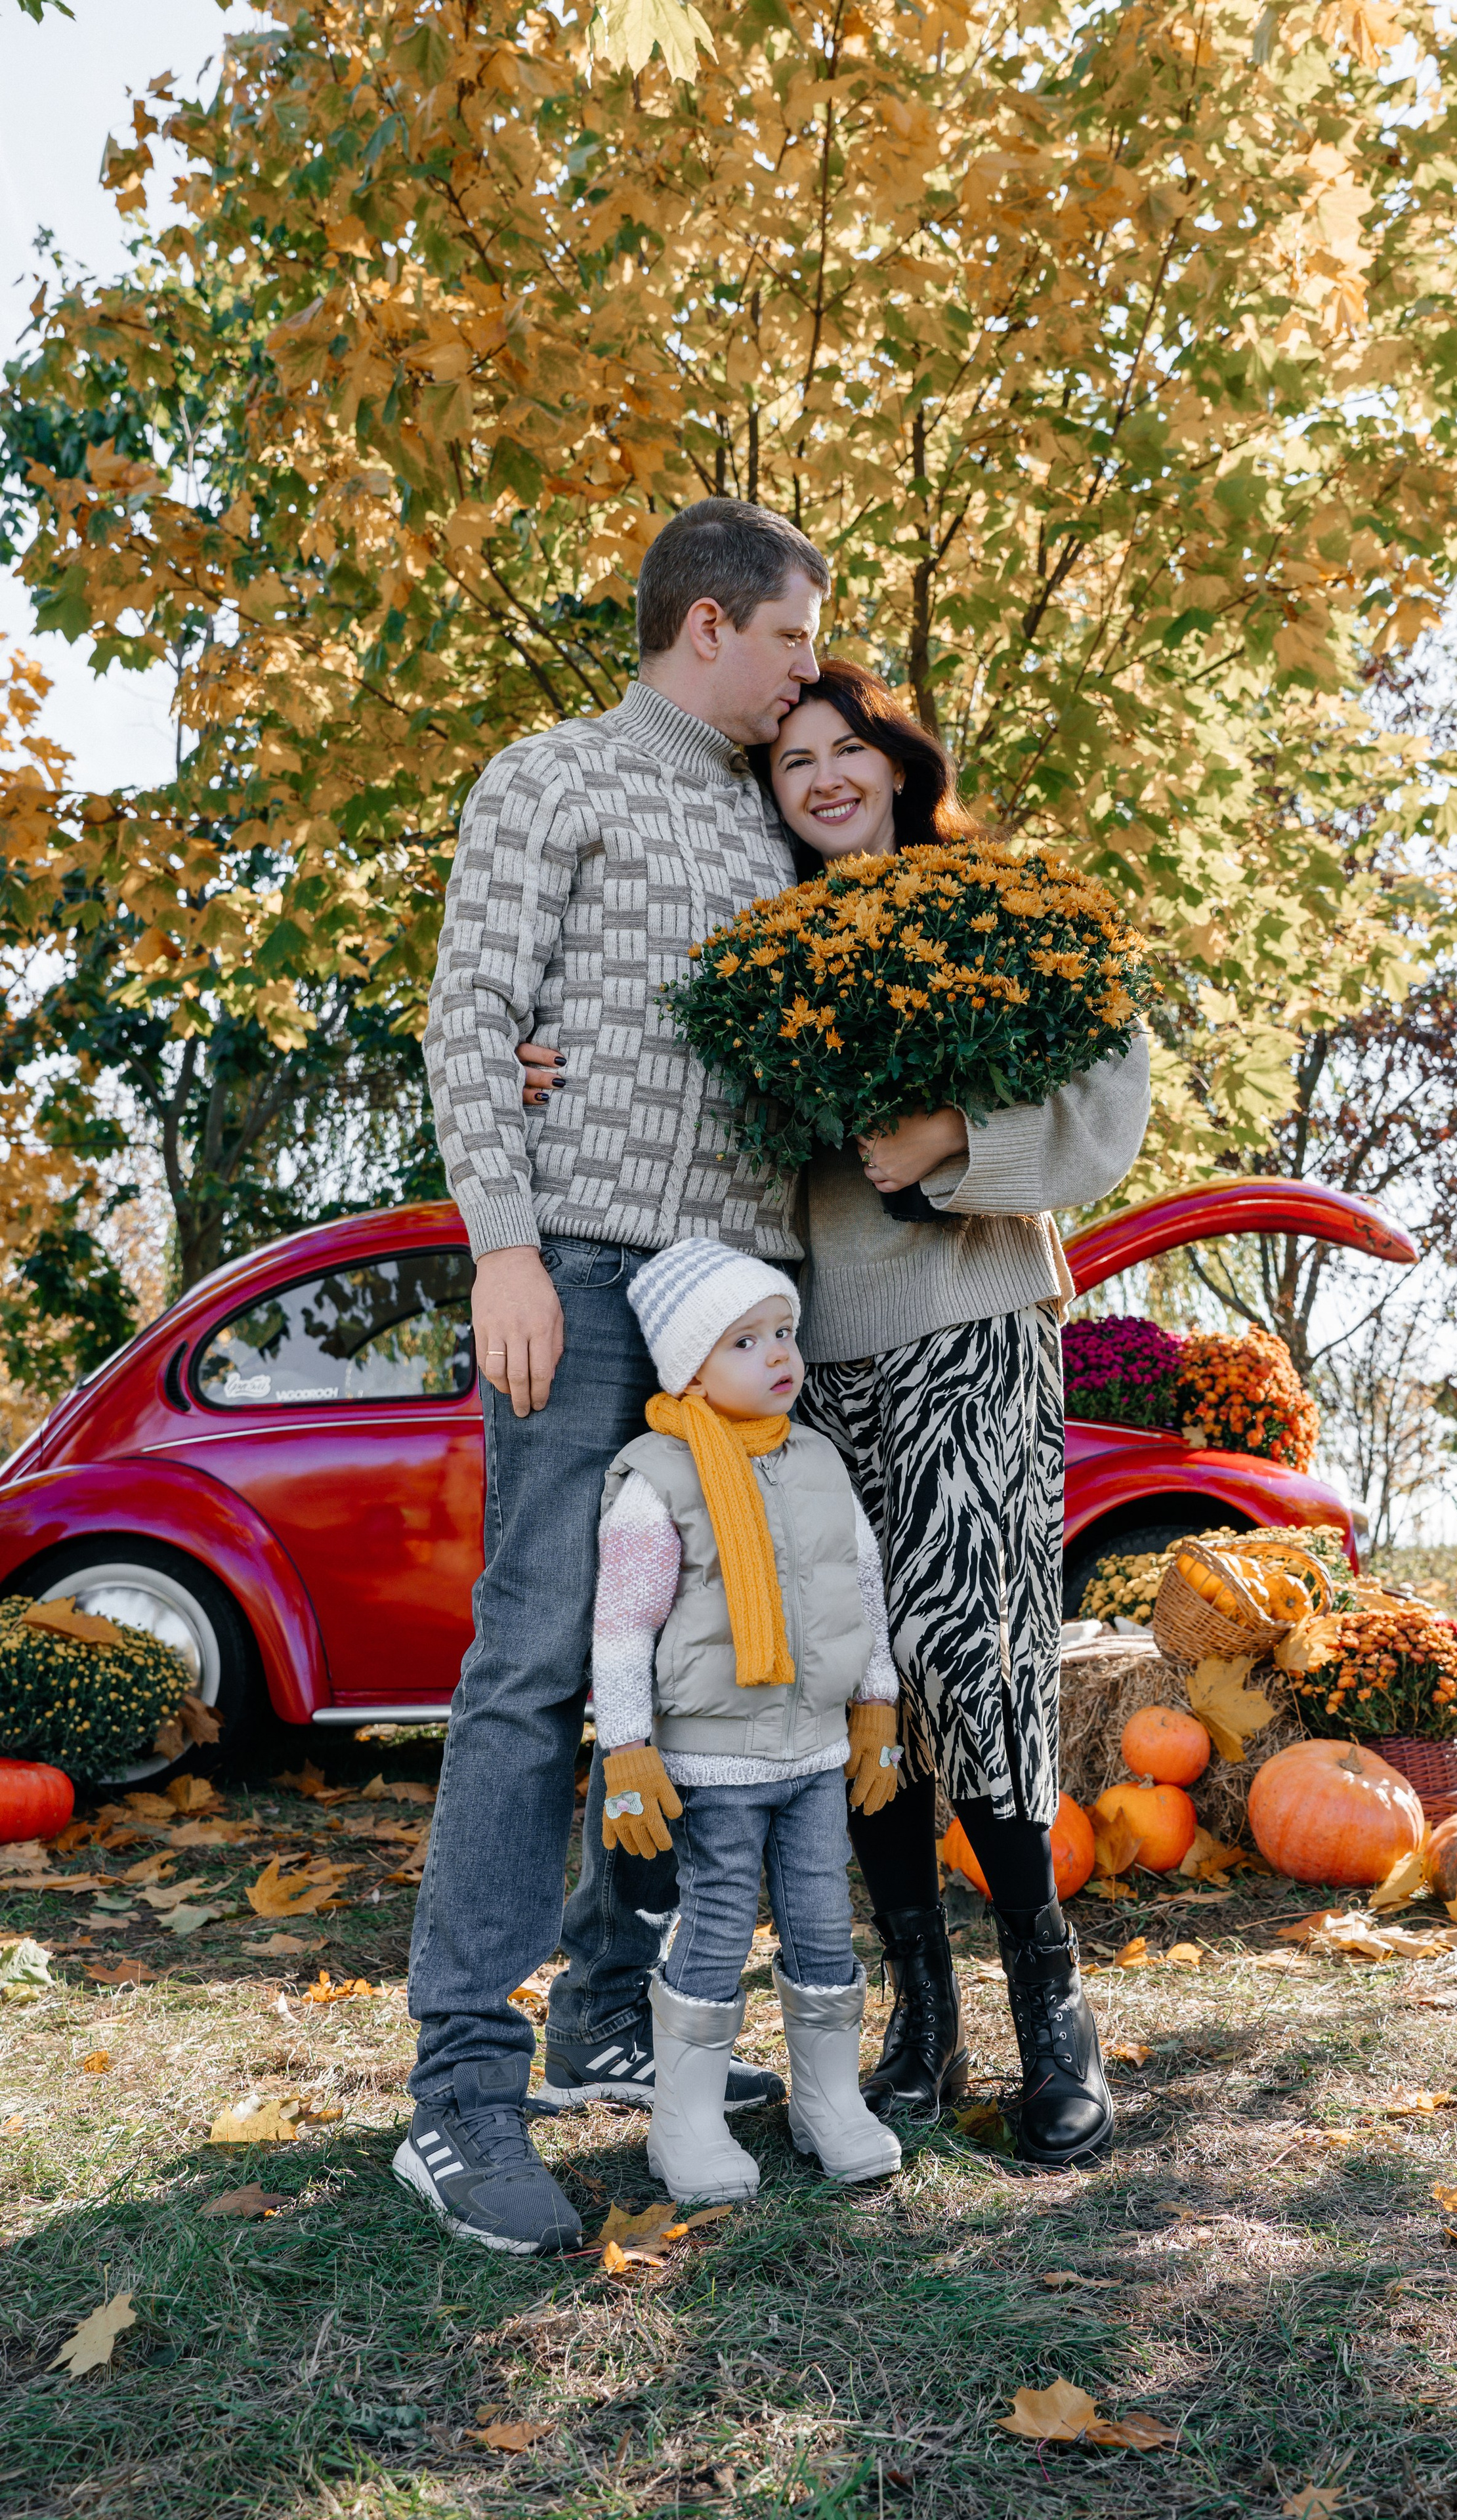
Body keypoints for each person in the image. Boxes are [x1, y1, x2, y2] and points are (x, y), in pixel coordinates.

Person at [523, 660, 1152, 2170]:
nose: (818, 776)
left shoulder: (990, 913)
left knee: (971, 1664)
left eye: (843, 748)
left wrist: (951, 1135)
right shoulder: (758, 953)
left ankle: (1051, 2017)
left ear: (892, 761)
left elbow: (1112, 1098)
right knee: (846, 1675)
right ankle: (918, 2018)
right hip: (810, 1368)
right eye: (791, 758)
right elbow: (667, 1075)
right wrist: (552, 1064)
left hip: (973, 1335)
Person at [397, 499, 832, 2258]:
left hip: (728, 1310)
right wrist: (502, 1237)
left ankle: (602, 2020)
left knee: (678, 1668)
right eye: (797, 637)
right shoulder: (554, 775)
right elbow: (469, 1007)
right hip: (577, 1273)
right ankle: (457, 2102)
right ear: (711, 624)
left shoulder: (759, 817)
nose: (816, 668)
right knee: (531, 1671)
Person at [591, 1236, 904, 2202]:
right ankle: (683, 2119)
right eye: (745, 1342)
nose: (779, 1355)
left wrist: (878, 1706)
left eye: (783, 1333)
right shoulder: (657, 1479)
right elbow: (624, 1622)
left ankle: (828, 2099)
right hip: (715, 1761)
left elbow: (861, 1588)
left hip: (813, 1752)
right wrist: (628, 1747)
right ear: (688, 1365)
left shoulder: (817, 1461)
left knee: (820, 1917)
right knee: (718, 1923)